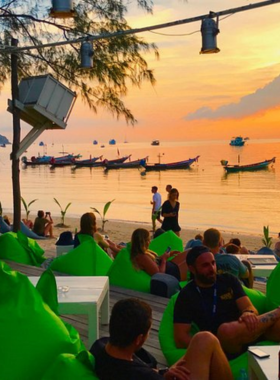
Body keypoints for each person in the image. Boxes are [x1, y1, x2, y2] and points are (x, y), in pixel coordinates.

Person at [173, 245, 280, 356]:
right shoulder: (187, 295)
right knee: (226, 330)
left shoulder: (228, 280)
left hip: (248, 331)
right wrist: (210, 347)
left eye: (213, 263)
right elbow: (180, 339)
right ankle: (277, 312)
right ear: (192, 269)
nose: (211, 268)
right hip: (224, 343)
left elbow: (249, 307)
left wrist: (248, 313)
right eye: (205, 265)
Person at [91, 298, 233, 380]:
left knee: (203, 340)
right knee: (207, 340)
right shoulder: (143, 377)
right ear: (138, 339)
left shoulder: (100, 346)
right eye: (147, 333)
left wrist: (162, 373)